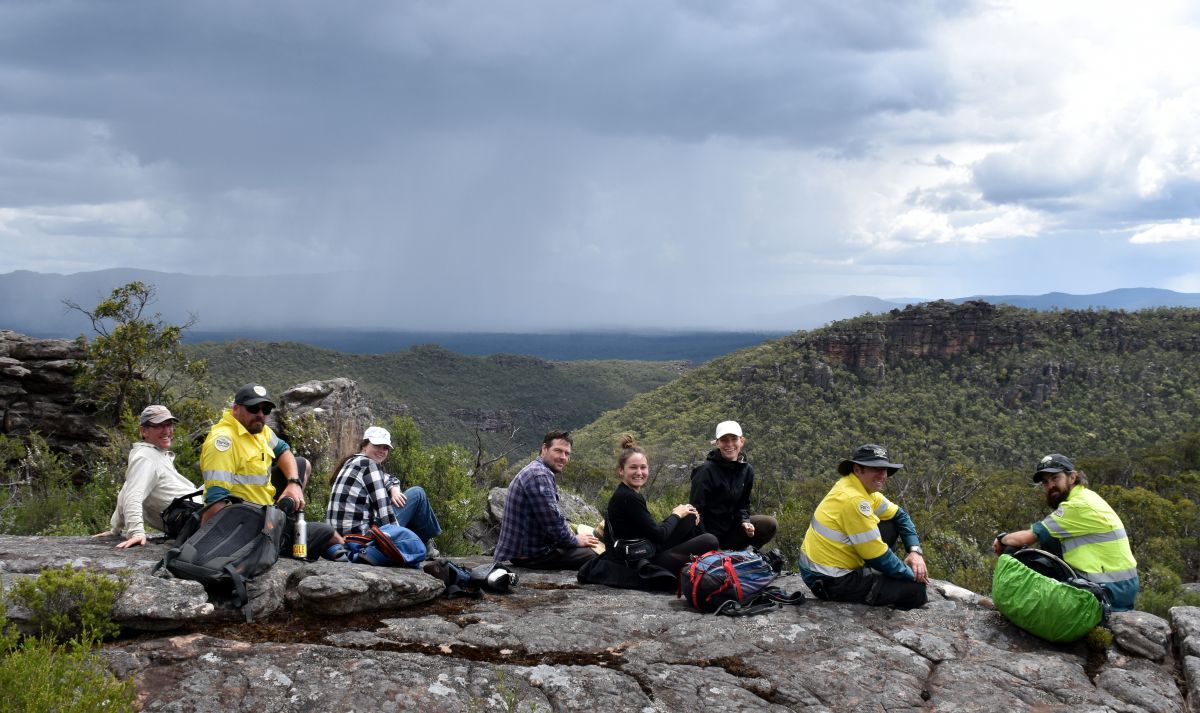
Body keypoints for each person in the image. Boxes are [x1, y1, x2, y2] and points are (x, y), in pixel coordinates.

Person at [199, 383, 343, 560]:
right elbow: (216, 502)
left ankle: (286, 523)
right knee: (327, 533)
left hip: (266, 510)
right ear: (236, 409)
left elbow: (284, 451)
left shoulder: (259, 431)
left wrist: (293, 483)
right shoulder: (223, 442)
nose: (260, 414)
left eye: (265, 409)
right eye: (253, 408)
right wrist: (210, 545)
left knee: (301, 464)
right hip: (246, 525)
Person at [993, 453, 1140, 611]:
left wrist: (1002, 539)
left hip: (1107, 591)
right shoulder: (1087, 496)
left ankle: (1011, 606)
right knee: (1049, 539)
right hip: (1120, 588)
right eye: (1045, 482)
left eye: (1055, 478)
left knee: (1015, 552)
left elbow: (1026, 538)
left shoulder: (1077, 506)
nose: (1050, 486)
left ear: (1072, 477)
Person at [798, 443, 928, 609]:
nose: (883, 475)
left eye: (885, 469)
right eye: (876, 469)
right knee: (917, 591)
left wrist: (915, 551)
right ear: (857, 470)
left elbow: (900, 515)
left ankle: (878, 581)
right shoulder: (854, 499)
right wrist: (914, 575)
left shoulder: (859, 488)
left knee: (891, 523)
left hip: (824, 569)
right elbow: (878, 556)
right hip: (830, 580)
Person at [584, 435, 718, 588]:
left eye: (643, 467)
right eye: (633, 467)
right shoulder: (627, 497)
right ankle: (688, 567)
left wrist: (681, 514)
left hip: (642, 550)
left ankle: (693, 562)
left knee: (688, 517)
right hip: (638, 562)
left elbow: (651, 531)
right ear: (621, 471)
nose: (639, 472)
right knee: (710, 540)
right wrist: (676, 514)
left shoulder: (627, 493)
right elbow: (659, 535)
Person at [94, 404, 201, 548]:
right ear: (144, 431)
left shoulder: (153, 453)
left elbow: (127, 489)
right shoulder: (146, 457)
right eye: (159, 426)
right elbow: (132, 495)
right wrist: (136, 532)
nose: (167, 431)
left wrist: (116, 529)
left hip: (194, 513)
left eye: (169, 425)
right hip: (195, 519)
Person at [493, 430, 600, 570]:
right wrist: (575, 540)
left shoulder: (537, 470)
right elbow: (553, 524)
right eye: (558, 451)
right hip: (531, 555)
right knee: (597, 556)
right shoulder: (539, 475)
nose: (563, 457)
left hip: (530, 550)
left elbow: (553, 518)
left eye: (567, 453)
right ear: (544, 448)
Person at [326, 425, 442, 546]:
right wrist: (400, 540)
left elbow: (387, 478)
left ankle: (427, 543)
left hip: (339, 538)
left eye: (385, 447)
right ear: (364, 445)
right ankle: (427, 542)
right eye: (377, 445)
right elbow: (384, 509)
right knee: (418, 494)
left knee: (404, 498)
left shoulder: (351, 462)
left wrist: (394, 489)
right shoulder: (369, 465)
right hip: (362, 538)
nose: (381, 450)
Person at [688, 420, 777, 549]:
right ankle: (719, 556)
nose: (729, 444)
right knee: (710, 541)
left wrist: (745, 522)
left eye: (734, 439)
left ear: (742, 441)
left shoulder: (747, 471)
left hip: (731, 530)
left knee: (769, 524)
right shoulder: (705, 471)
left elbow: (743, 505)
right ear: (717, 443)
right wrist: (707, 542)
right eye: (724, 440)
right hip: (708, 535)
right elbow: (695, 512)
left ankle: (741, 555)